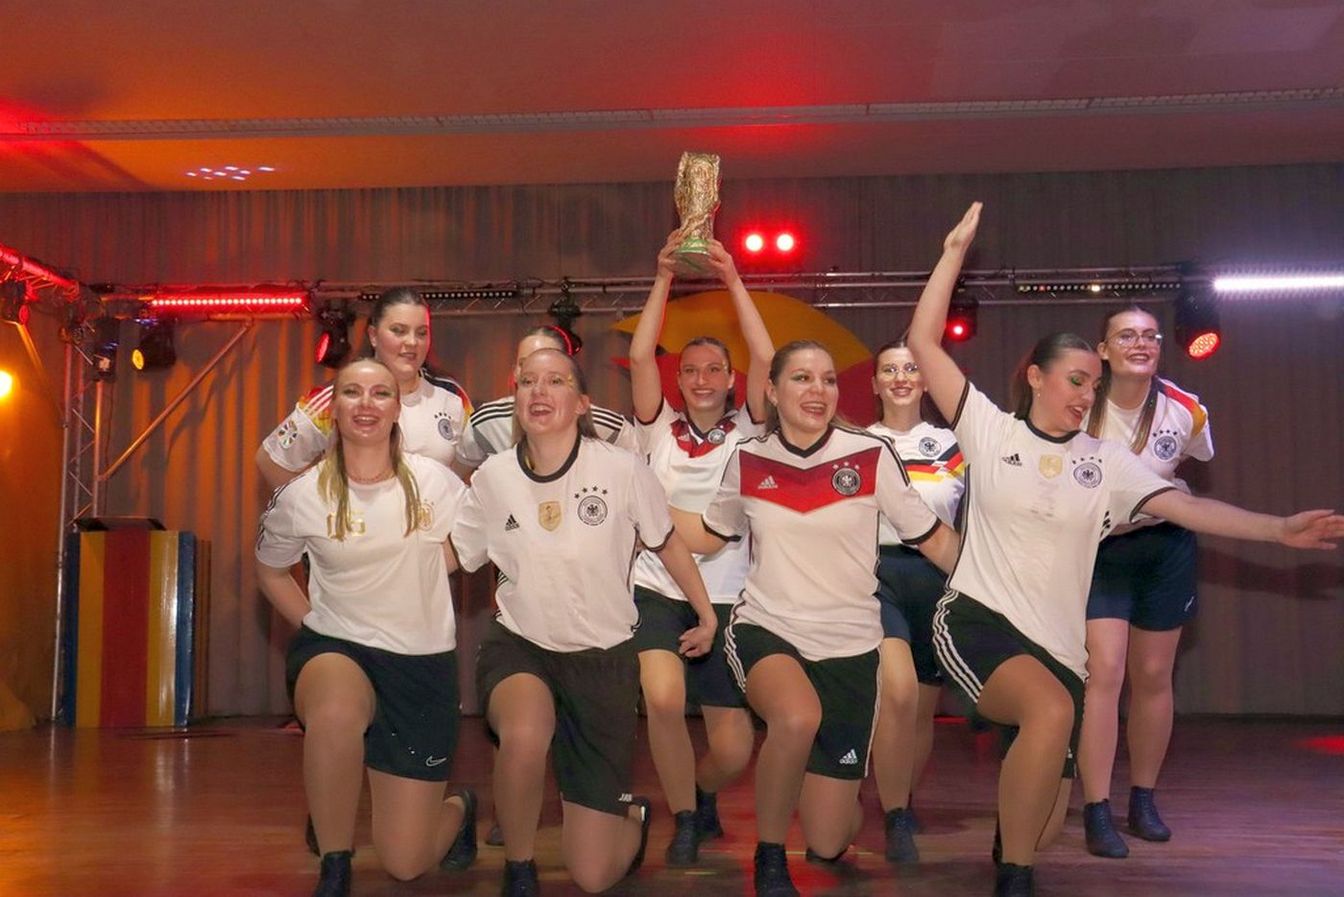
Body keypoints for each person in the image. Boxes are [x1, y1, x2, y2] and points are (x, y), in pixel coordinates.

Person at [908, 202, 1344, 897]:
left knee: (1043, 813)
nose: (1086, 393)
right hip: (978, 621)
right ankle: (1014, 879)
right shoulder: (989, 429)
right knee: (1051, 716)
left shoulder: (1106, 462)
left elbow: (1188, 507)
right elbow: (924, 342)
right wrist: (952, 254)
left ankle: (1017, 840)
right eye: (1074, 379)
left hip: (1058, 647)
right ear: (1037, 378)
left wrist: (1278, 529)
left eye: (1092, 382)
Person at [673, 340, 960, 897]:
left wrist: (999, 585)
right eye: (802, 378)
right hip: (768, 629)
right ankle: (770, 857)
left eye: (827, 379)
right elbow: (710, 535)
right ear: (772, 391)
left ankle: (822, 802)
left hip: (852, 649)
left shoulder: (872, 455)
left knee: (830, 839)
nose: (818, 390)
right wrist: (646, 509)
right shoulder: (749, 459)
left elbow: (935, 540)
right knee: (796, 717)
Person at [450, 347, 717, 897]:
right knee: (524, 733)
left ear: (581, 403)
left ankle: (632, 819)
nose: (539, 391)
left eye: (555, 381)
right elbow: (454, 556)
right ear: (515, 398)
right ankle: (519, 867)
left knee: (593, 876)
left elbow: (667, 543)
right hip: (522, 644)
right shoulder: (492, 477)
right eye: (528, 381)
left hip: (603, 661)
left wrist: (706, 612)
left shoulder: (623, 469)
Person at [255, 358, 475, 897]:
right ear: (334, 410)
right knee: (333, 712)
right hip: (338, 650)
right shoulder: (302, 494)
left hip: (420, 667)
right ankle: (335, 861)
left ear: (398, 409)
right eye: (352, 392)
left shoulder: (437, 483)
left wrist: (424, 570)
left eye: (380, 393)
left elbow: (478, 545)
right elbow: (270, 570)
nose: (366, 404)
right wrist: (314, 625)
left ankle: (460, 809)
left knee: (406, 862)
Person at [627, 231, 773, 864]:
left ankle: (701, 792)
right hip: (658, 588)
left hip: (730, 595)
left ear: (732, 378)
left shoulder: (751, 431)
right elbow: (639, 356)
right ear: (678, 379)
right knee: (661, 698)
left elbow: (767, 354)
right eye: (690, 369)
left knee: (735, 748)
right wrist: (663, 276)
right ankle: (685, 816)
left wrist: (733, 278)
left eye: (715, 369)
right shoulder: (657, 427)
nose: (702, 378)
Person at [1076, 305, 1215, 857]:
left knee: (1154, 674)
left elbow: (1188, 465)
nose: (1141, 344)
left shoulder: (1187, 410)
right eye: (1126, 336)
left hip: (1164, 547)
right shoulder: (1080, 400)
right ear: (1103, 350)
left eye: (1151, 336)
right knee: (1105, 672)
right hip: (1099, 551)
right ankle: (1096, 807)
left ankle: (1143, 799)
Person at [866, 337, 966, 863]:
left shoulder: (954, 445)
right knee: (898, 693)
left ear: (925, 380)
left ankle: (902, 801)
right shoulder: (858, 444)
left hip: (937, 579)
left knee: (923, 707)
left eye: (909, 369)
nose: (900, 378)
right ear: (875, 383)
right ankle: (893, 815)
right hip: (877, 577)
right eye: (889, 370)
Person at [258, 288, 473, 490]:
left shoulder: (452, 397)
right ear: (373, 335)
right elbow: (271, 461)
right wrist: (317, 510)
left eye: (422, 333)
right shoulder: (339, 396)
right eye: (399, 331)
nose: (412, 342)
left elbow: (467, 468)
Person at [456, 324, 635, 469]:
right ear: (515, 372)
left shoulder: (607, 428)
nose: (537, 377)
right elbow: (456, 480)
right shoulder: (486, 423)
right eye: (525, 363)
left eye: (549, 364)